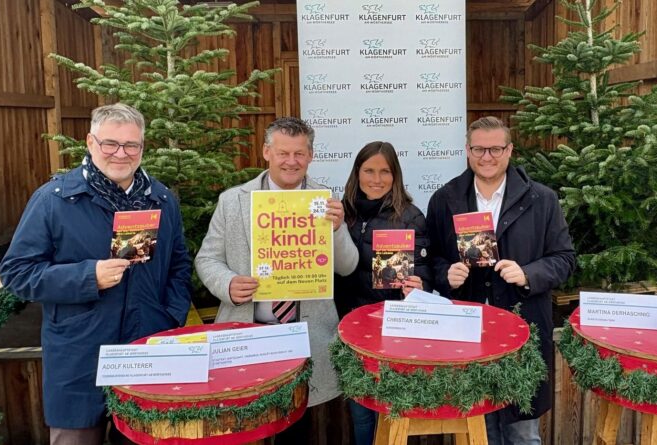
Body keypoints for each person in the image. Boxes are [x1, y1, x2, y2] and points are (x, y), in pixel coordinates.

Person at [0, 103, 192, 445]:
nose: (121, 154)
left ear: (142, 148)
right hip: (79, 358)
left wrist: (170, 315)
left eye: (131, 145)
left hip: (145, 353)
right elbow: (17, 273)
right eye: (110, 144)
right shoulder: (54, 200)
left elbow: (178, 265)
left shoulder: (160, 200)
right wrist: (88, 277)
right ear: (91, 143)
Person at [194, 117, 358, 442]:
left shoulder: (324, 201)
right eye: (283, 153)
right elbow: (206, 258)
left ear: (311, 156)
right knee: (246, 427)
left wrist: (337, 230)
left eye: (299, 154)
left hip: (305, 334)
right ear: (267, 151)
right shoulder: (233, 200)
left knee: (296, 428)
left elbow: (348, 266)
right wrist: (227, 283)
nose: (291, 161)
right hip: (249, 332)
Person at [426, 117, 575, 445]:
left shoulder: (542, 199)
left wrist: (529, 274)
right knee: (477, 429)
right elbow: (431, 257)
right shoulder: (445, 199)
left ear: (509, 151)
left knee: (522, 432)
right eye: (479, 148)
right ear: (467, 151)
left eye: (495, 148)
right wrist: (445, 274)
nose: (487, 156)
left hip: (522, 330)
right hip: (467, 332)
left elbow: (565, 259)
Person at [334, 141, 432, 445]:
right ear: (357, 173)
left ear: (395, 175)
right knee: (361, 411)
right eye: (369, 170)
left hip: (392, 330)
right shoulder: (340, 215)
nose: (376, 179)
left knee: (393, 411)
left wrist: (419, 286)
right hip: (349, 327)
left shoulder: (411, 216)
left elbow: (424, 272)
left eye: (385, 172)